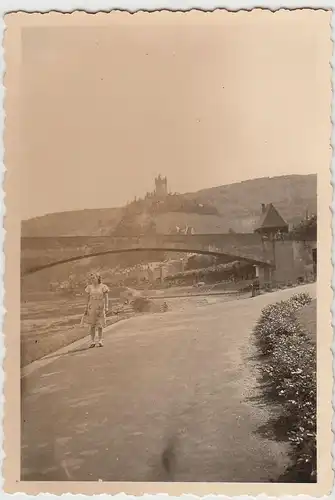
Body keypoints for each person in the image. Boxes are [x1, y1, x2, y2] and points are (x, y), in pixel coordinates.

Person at [84, 273, 109, 348]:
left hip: (100, 306)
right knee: (92, 324)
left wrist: (106, 306)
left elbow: (106, 297)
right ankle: (92, 341)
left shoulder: (103, 286)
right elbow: (87, 298)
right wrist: (86, 308)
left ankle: (100, 340)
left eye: (93, 278)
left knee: (100, 324)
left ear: (98, 278)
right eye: (91, 278)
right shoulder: (89, 287)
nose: (92, 280)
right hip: (92, 306)